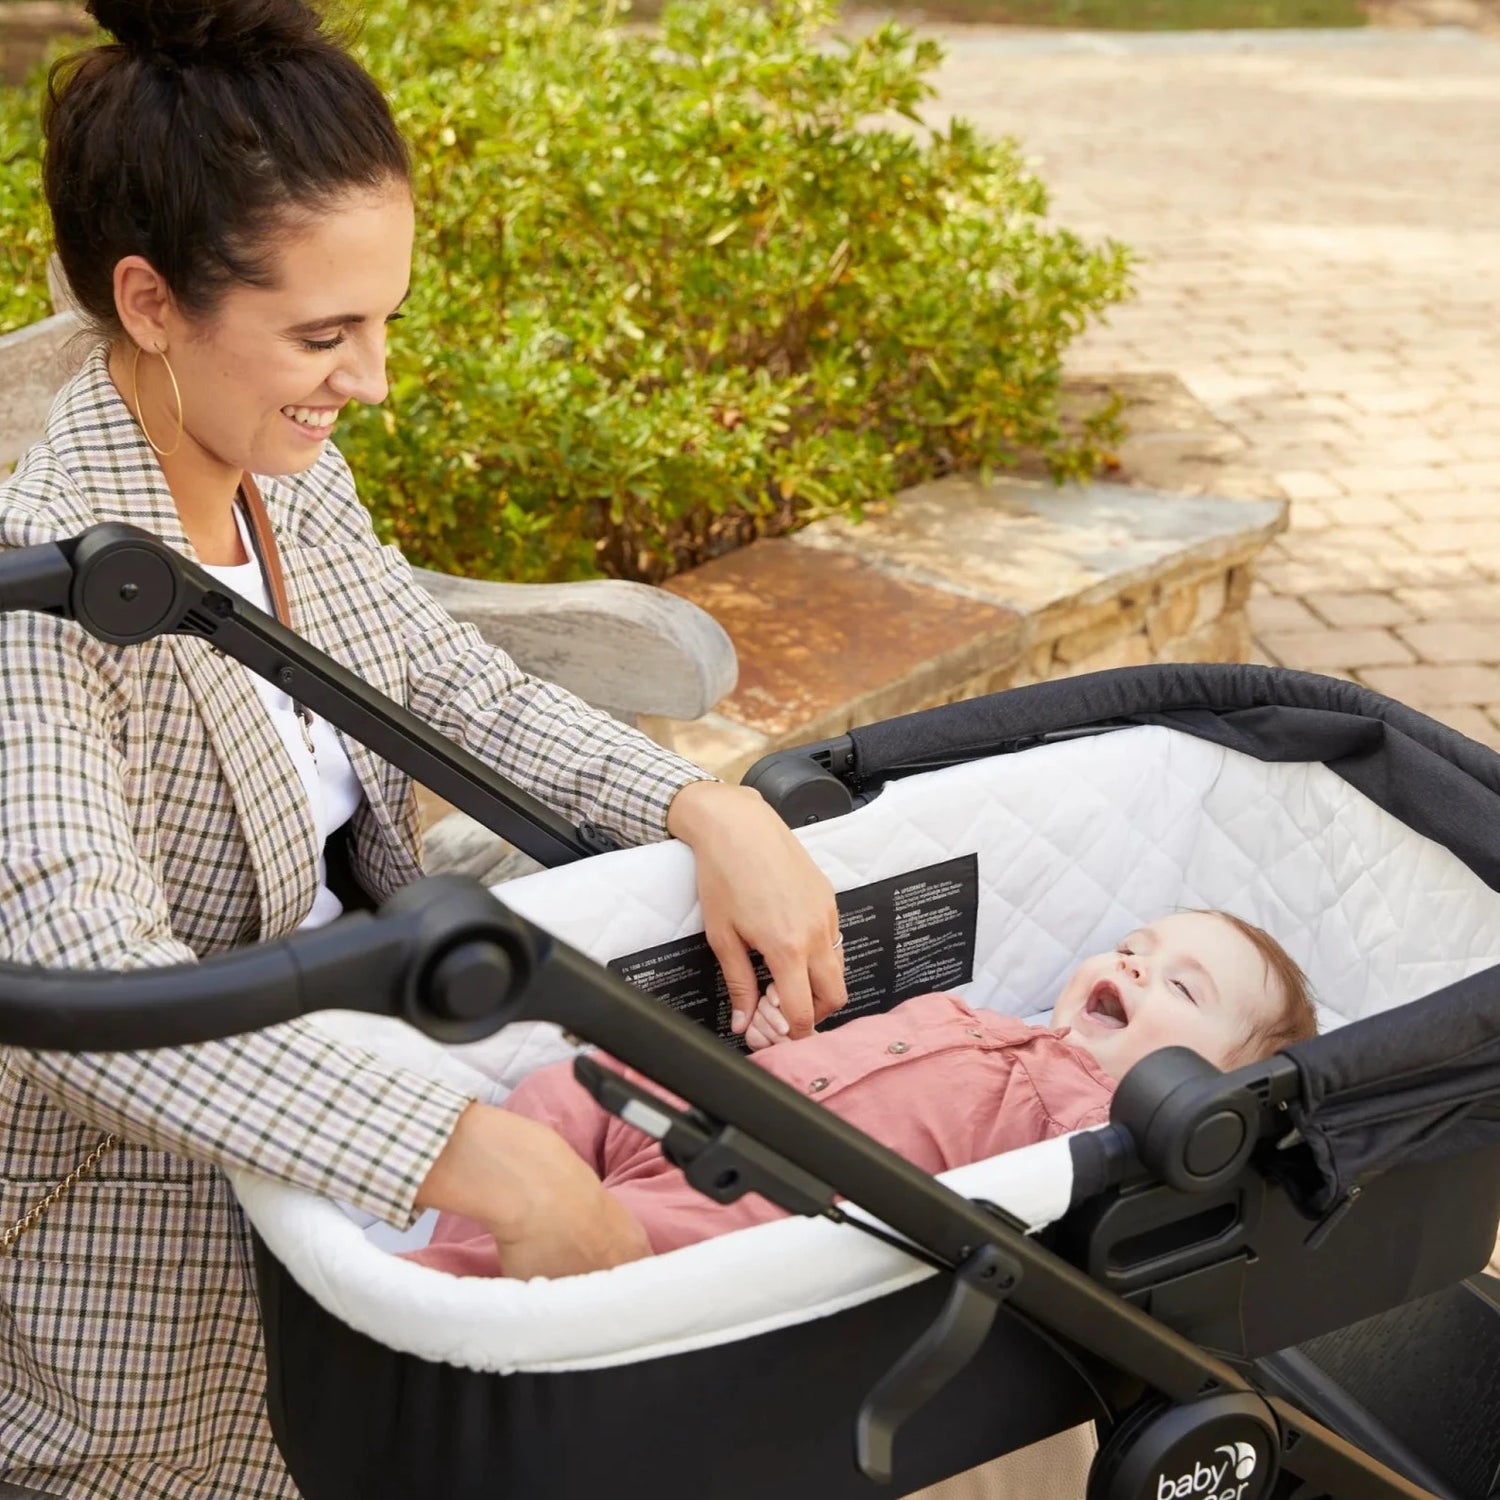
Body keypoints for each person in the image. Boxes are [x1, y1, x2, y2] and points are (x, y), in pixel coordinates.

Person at [0, 2, 847, 1496]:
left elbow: (443, 680)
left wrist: (701, 805)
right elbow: (86, 975)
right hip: (155, 1263)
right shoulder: (42, 594)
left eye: (383, 320)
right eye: (325, 335)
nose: (373, 380)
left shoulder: (277, 474)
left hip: (386, 1124)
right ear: (149, 302)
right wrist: (472, 1156)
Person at [408, 910, 1318, 1274]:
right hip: (709, 1106)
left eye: (1182, 987)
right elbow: (855, 1052)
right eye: (1137, 945)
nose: (1135, 965)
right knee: (557, 1085)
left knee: (636, 1248)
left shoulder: (1081, 1127)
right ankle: (481, 1239)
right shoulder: (984, 1014)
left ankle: (450, 1293)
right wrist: (785, 1038)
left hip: (766, 1202)